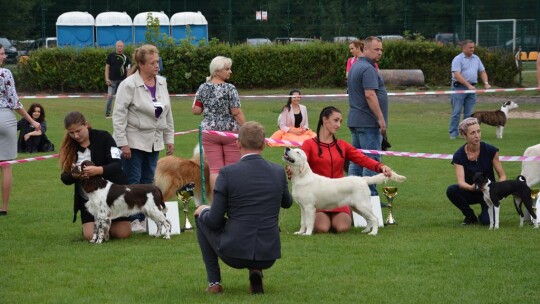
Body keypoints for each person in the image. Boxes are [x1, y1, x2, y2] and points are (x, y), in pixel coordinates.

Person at [194, 121, 293, 294]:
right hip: (268, 254)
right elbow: (287, 203)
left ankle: (214, 283)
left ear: (237, 144)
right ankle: (256, 272)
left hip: (235, 253)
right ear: (264, 144)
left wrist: (203, 210)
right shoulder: (278, 171)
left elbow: (214, 221)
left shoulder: (227, 173)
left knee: (201, 217)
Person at [299, 106, 393, 233]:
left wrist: (380, 167)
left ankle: (349, 214)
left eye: (340, 121)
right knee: (322, 228)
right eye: (335, 120)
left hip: (340, 196)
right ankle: (320, 217)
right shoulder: (309, 144)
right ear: (324, 120)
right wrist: (290, 171)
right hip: (319, 198)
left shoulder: (342, 145)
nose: (338, 125)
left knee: (342, 228)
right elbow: (299, 163)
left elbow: (363, 159)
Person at [112, 44, 175, 232]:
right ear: (140, 64)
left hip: (154, 139)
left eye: (157, 62)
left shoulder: (162, 82)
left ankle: (148, 217)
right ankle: (134, 219)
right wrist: (123, 143)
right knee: (134, 180)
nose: (156, 66)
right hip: (133, 139)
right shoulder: (128, 84)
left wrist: (169, 138)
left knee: (149, 180)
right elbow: (119, 115)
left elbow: (167, 113)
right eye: (152, 63)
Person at [59, 111, 132, 240]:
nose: (75, 136)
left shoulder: (104, 137)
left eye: (78, 131)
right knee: (90, 236)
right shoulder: (69, 147)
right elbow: (64, 178)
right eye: (71, 133)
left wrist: (98, 170)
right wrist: (74, 175)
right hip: (88, 199)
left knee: (122, 234)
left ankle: (108, 223)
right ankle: (96, 226)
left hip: (113, 195)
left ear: (86, 125)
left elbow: (117, 164)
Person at [192, 56, 246, 192]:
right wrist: (246, 127)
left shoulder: (203, 87)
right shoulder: (230, 88)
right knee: (232, 167)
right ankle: (233, 199)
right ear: (216, 71)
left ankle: (217, 201)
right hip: (229, 132)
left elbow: (196, 110)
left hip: (209, 132)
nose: (230, 71)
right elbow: (236, 112)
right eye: (227, 69)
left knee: (215, 169)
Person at [0, 43, 41, 216]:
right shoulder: (5, 73)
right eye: (1, 54)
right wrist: (33, 121)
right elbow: (15, 102)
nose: (4, 56)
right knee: (6, 166)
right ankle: (4, 208)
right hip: (4, 117)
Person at [347, 36, 388, 196]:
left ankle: (351, 195)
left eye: (381, 50)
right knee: (371, 161)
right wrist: (381, 118)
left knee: (356, 161)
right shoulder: (368, 69)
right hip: (368, 122)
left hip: (356, 120)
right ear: (365, 49)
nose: (380, 53)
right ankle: (370, 196)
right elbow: (370, 95)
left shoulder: (356, 66)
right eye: (376, 49)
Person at [446, 117, 506, 225]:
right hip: (471, 191)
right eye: (472, 133)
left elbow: (502, 175)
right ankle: (470, 216)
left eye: (478, 131)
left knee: (486, 222)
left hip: (489, 192)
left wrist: (497, 190)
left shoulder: (491, 150)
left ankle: (485, 212)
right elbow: (461, 182)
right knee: (451, 190)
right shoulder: (459, 156)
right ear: (464, 135)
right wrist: (471, 187)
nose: (477, 136)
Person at [449, 39, 491, 139]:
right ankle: (453, 134)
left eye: (473, 47)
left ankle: (466, 134)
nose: (473, 49)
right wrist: (468, 85)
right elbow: (457, 74)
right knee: (456, 112)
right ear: (464, 48)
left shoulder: (476, 58)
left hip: (472, 88)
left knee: (469, 114)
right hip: (459, 88)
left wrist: (486, 83)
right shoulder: (457, 59)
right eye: (470, 47)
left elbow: (482, 71)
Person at [104, 40, 131, 118]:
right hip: (111, 80)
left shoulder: (126, 58)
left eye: (121, 46)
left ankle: (120, 114)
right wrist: (107, 78)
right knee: (109, 96)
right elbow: (107, 68)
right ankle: (107, 114)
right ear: (116, 46)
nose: (120, 47)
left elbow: (128, 69)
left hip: (122, 81)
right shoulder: (111, 56)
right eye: (118, 46)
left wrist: (127, 80)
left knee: (122, 98)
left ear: (123, 47)